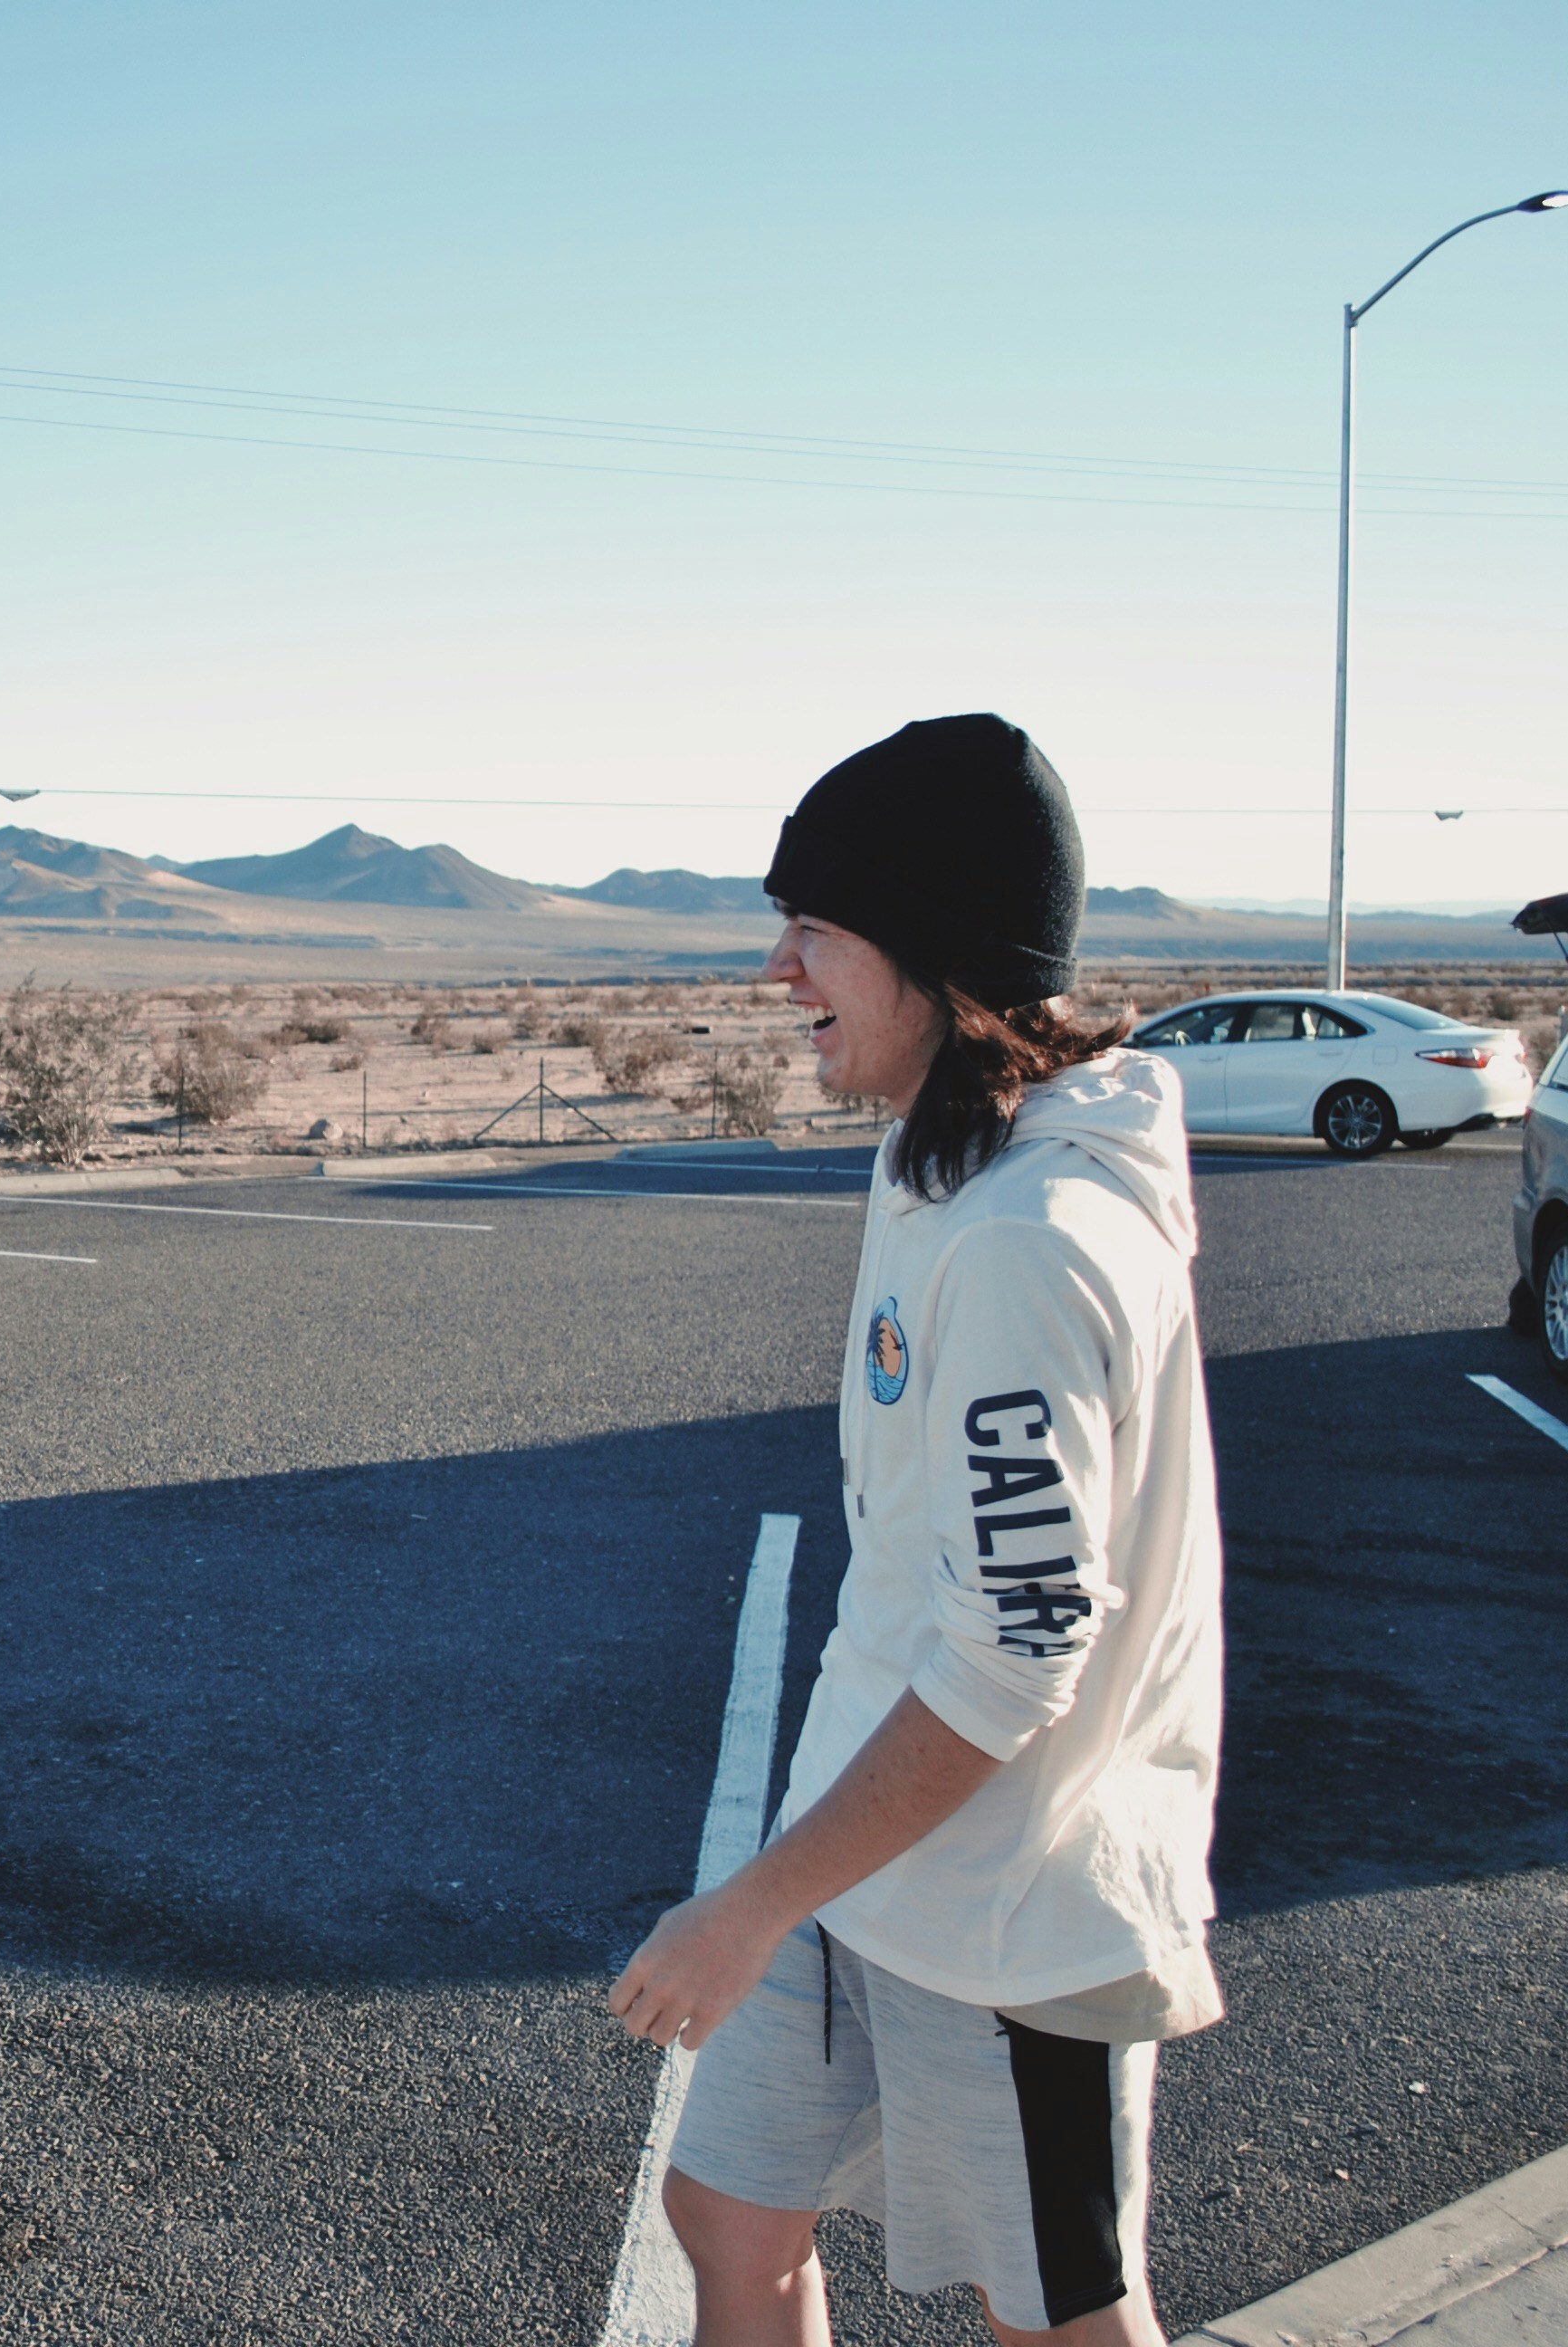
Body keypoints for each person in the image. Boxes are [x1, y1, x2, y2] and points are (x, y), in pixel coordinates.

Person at [608, 715, 1223, 2347]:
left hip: (1014, 1908)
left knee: (1059, 2322)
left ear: (936, 955)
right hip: (861, 1854)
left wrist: (742, 1909)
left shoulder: (1036, 1240)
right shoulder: (938, 1160)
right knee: (730, 2213)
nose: (775, 968)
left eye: (815, 929)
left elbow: (1022, 1652)